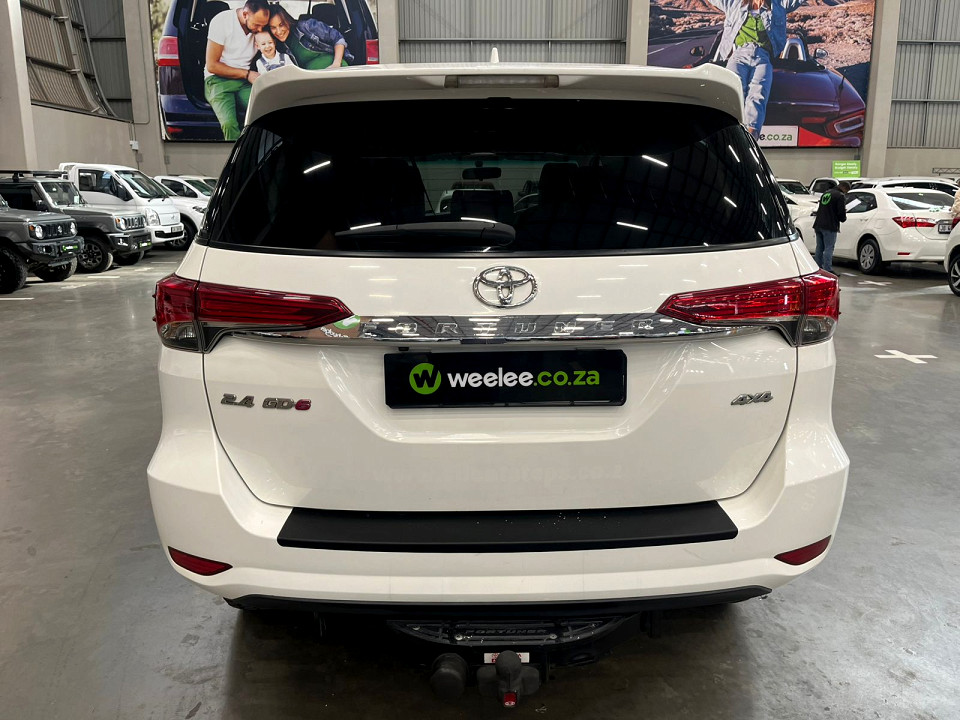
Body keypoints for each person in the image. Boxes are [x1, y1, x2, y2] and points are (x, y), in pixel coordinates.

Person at [707, 0, 807, 139]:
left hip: (763, 57)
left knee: (758, 93)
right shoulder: (733, 4)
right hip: (738, 56)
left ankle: (750, 140)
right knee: (733, 90)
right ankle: (730, 136)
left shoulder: (778, 5)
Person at [204, 0, 271, 141]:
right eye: (257, 25)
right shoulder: (222, 21)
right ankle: (236, 154)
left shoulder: (259, 27)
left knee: (266, 112)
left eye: (263, 26)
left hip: (243, 81)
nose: (260, 30)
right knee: (229, 124)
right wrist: (247, 74)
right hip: (217, 80)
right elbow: (212, 66)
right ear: (245, 14)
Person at [267, 3, 353, 71]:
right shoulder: (277, 47)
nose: (278, 31)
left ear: (287, 20)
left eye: (281, 25)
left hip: (336, 69)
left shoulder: (307, 26)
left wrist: (336, 64)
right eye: (273, 27)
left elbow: (338, 38)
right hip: (311, 79)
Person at [813, 180, 850, 273]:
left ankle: (818, 268)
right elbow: (841, 212)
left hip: (818, 224)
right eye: (846, 191)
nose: (846, 193)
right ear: (844, 188)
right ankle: (828, 269)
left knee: (819, 248)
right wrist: (843, 218)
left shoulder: (826, 193)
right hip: (830, 225)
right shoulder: (840, 196)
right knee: (829, 248)